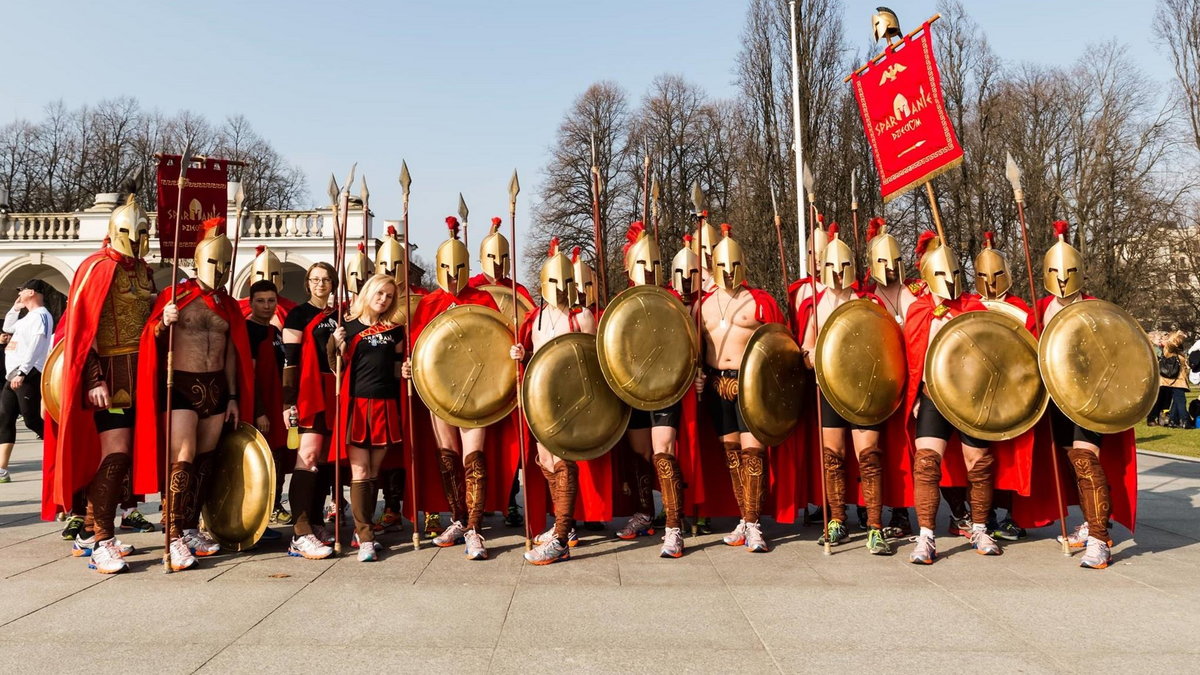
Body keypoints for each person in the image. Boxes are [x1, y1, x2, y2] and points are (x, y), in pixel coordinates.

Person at [132, 218, 254, 571]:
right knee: (182, 456)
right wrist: (162, 321)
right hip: (181, 384)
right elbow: (149, 339)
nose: (220, 270)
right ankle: (171, 534)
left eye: (226, 264)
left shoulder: (228, 305)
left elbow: (233, 352)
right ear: (199, 260)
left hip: (216, 387)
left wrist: (232, 396)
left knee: (205, 459)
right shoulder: (175, 295)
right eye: (215, 262)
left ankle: (189, 527)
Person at [41, 192, 153, 574]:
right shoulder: (96, 267)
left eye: (141, 231)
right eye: (129, 231)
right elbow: (81, 327)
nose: (135, 239)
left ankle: (90, 532)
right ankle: (103, 538)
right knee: (115, 454)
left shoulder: (144, 271)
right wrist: (92, 377)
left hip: (140, 375)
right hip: (108, 376)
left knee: (122, 459)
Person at [1023, 221, 1140, 569]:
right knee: (1074, 462)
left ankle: (1099, 539)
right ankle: (1091, 523)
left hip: (1092, 399)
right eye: (1056, 271)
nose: (1062, 278)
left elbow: (1118, 354)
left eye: (1070, 270)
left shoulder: (1096, 308)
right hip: (1057, 401)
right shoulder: (1040, 309)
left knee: (1087, 460)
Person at [402, 216, 515, 561]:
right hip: (440, 393)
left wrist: (514, 351)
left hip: (476, 393)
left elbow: (499, 342)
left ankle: (476, 530)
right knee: (448, 457)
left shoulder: (483, 300)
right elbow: (419, 349)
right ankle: (459, 518)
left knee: (473, 457)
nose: (453, 273)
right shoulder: (429, 304)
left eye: (460, 266)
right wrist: (409, 366)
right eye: (447, 267)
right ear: (438, 267)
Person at [903, 234, 1003, 564]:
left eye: (954, 273)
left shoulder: (973, 307)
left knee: (980, 465)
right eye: (942, 274)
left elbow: (994, 351)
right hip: (933, 396)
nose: (949, 280)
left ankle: (978, 527)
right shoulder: (918, 310)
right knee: (926, 463)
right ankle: (926, 536)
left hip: (971, 398)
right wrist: (916, 394)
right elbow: (912, 357)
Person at [798, 226, 894, 555]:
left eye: (843, 267)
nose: (838, 275)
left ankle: (875, 527)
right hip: (830, 390)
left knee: (868, 457)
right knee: (833, 458)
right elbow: (807, 348)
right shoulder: (816, 304)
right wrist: (810, 357)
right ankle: (836, 520)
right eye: (832, 267)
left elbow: (885, 345)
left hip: (865, 390)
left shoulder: (866, 302)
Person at [694, 224, 786, 553]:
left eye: (734, 264)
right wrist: (701, 377)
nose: (729, 271)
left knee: (753, 452)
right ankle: (745, 520)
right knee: (731, 454)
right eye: (723, 265)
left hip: (749, 384)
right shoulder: (702, 306)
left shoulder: (758, 302)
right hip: (718, 384)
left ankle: (753, 522)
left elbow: (779, 345)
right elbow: (695, 350)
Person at [512, 238, 593, 564]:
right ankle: (566, 527)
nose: (561, 288)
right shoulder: (535, 318)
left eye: (566, 281)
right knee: (545, 462)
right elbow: (532, 355)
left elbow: (593, 361)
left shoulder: (582, 317)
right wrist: (521, 353)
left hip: (570, 400)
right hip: (539, 399)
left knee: (563, 462)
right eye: (555, 282)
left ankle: (560, 537)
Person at [612, 222, 689, 557]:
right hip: (634, 389)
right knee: (641, 454)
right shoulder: (621, 304)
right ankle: (645, 513)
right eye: (641, 264)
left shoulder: (674, 301)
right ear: (631, 267)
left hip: (666, 389)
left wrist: (695, 372)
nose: (648, 270)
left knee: (663, 451)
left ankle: (673, 526)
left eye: (653, 264)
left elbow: (690, 345)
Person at [331, 273, 406, 562]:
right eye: (380, 293)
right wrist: (334, 345)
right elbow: (335, 370)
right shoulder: (347, 327)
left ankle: (364, 528)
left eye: (389, 295)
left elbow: (398, 368)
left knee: (374, 472)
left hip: (386, 405)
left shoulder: (396, 331)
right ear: (368, 292)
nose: (384, 299)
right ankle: (365, 536)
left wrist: (406, 373)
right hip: (357, 406)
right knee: (360, 471)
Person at [466, 217, 532, 529]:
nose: (498, 263)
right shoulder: (473, 289)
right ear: (481, 258)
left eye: (503, 256)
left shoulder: (517, 291)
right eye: (492, 256)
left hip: (509, 377)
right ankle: (479, 504)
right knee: (479, 446)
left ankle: (508, 501)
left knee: (510, 447)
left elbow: (531, 329)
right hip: (477, 377)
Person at [282, 261, 340, 560]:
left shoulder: (340, 315)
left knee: (326, 461)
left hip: (335, 391)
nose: (320, 284)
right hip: (310, 390)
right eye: (315, 279)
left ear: (333, 283)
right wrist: (288, 401)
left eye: (326, 279)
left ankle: (317, 523)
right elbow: (289, 360)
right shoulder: (298, 314)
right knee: (308, 457)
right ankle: (300, 533)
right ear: (308, 283)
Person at [244, 278, 291, 527]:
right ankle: (257, 509)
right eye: (260, 301)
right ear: (251, 302)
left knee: (278, 457)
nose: (266, 306)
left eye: (271, 301)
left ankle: (274, 504)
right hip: (260, 408)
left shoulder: (275, 331)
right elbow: (249, 375)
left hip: (278, 404)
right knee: (261, 460)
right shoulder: (248, 331)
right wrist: (259, 411)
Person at [0, 281, 51, 484]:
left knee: (31, 420)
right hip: (12, 375)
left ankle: (59, 448)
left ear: (31, 292)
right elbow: (7, 326)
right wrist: (14, 308)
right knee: (5, 418)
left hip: (27, 373)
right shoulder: (26, 317)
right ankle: (2, 468)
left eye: (21, 291)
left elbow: (38, 345)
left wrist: (23, 371)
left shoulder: (41, 315)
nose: (19, 294)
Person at [1160, 331, 1191, 428]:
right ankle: (1185, 421)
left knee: (1177, 401)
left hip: (1176, 379)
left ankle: (1172, 420)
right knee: (1181, 400)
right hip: (1176, 380)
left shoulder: (1177, 350)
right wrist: (1178, 335)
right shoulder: (1170, 348)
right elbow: (1171, 344)